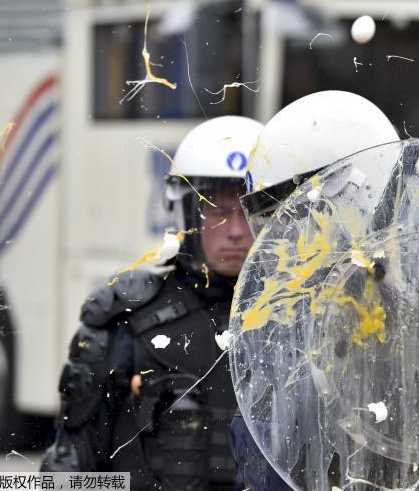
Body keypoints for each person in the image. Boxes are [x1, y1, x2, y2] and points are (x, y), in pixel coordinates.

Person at [41, 115, 263, 490]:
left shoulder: (303, 317)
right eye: (218, 212)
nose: (238, 231)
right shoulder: (128, 317)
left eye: (250, 211)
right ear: (186, 213)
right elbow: (70, 471)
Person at [229, 90, 400, 491]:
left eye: (300, 214)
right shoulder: (277, 319)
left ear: (357, 193)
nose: (286, 239)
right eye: (274, 219)